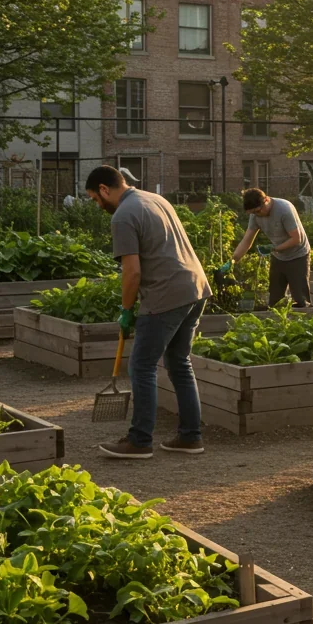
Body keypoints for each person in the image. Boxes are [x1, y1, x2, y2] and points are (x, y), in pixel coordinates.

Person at [85, 165, 211, 459]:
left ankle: (140, 441)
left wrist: (126, 310)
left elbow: (132, 273)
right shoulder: (155, 199)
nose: (97, 204)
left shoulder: (124, 216)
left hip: (166, 294)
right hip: (195, 287)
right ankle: (190, 437)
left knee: (141, 366)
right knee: (179, 362)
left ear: (104, 189)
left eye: (95, 198)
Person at [223, 188, 311, 308]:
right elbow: (246, 241)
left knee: (300, 299)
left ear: (266, 200)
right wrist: (232, 261)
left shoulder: (284, 209)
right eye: (253, 213)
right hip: (278, 256)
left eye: (258, 211)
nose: (257, 214)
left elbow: (297, 239)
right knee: (275, 299)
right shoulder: (255, 215)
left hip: (298, 255)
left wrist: (274, 248)